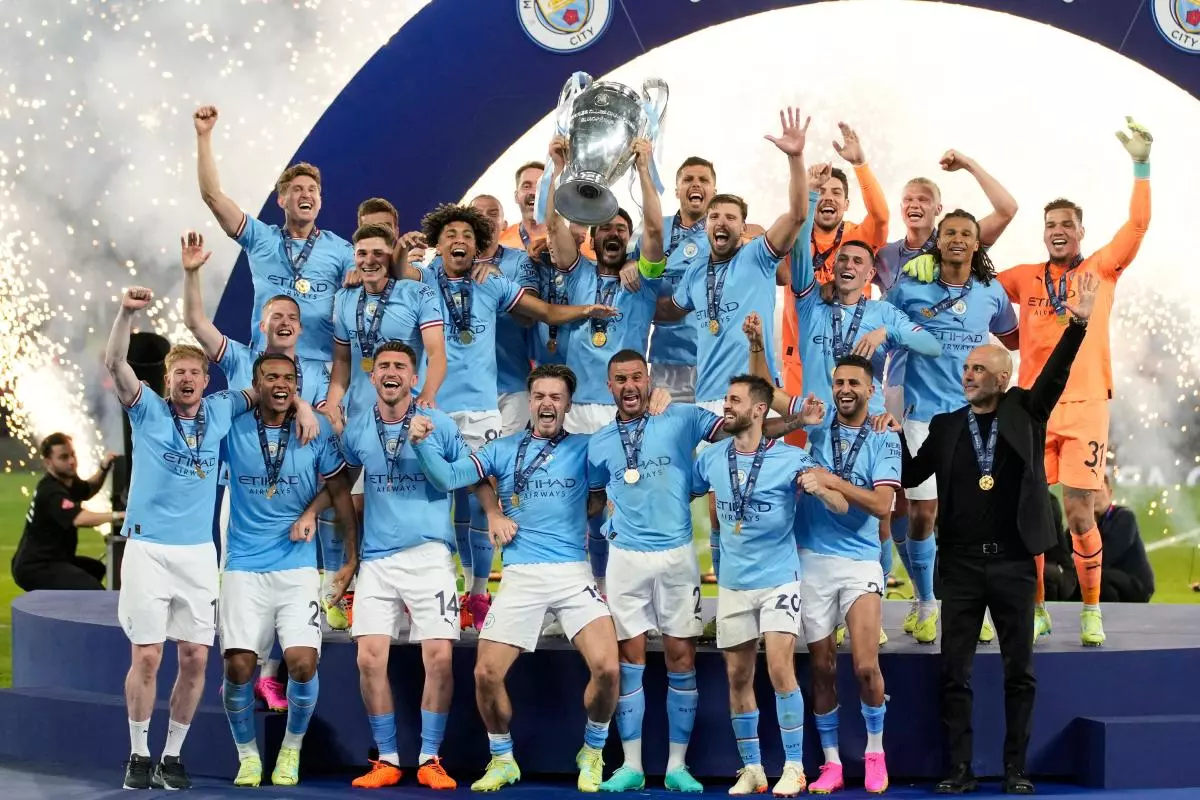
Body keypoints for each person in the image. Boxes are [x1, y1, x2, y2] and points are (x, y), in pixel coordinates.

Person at [104, 287, 317, 790]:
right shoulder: (146, 409)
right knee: (147, 656)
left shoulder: (223, 408)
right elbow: (115, 362)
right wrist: (126, 313)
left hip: (199, 553)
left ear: (206, 380)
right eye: (178, 372)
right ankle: (138, 753)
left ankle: (172, 756)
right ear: (167, 380)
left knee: (196, 657)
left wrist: (305, 406)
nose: (187, 379)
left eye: (195, 373)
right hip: (148, 549)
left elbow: (272, 387)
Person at [898, 271, 1099, 795]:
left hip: (1013, 562)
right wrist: (892, 434)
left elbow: (1054, 375)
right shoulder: (946, 425)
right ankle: (959, 769)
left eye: (979, 369)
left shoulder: (1025, 411)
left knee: (1019, 673)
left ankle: (1016, 769)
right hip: (961, 565)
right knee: (953, 673)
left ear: (1003, 378)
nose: (968, 375)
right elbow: (911, 474)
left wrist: (1077, 326)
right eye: (966, 368)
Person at [585, 350, 821, 793]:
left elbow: (746, 430)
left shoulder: (685, 416)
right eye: (620, 379)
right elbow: (593, 499)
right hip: (625, 560)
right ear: (609, 385)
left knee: (682, 659)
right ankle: (631, 765)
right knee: (629, 661)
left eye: (637, 377)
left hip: (677, 556)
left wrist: (796, 422)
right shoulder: (598, 443)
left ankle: (677, 765)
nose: (630, 386)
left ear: (649, 378)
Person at [410, 364, 619, 793]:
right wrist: (421, 443)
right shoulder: (503, 449)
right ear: (529, 401)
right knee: (486, 673)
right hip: (521, 575)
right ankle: (503, 758)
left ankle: (593, 750)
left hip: (572, 573)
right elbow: (449, 477)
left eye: (556, 397)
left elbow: (609, 483)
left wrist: (590, 510)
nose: (547, 404)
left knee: (607, 669)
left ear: (568, 405)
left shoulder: (585, 447)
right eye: (539, 396)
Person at [411, 202, 617, 625]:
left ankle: (477, 592)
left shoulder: (492, 281)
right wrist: (400, 252)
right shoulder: (422, 278)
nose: (460, 241)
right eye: (451, 235)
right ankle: (432, 593)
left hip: (483, 408)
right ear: (438, 243)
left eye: (468, 236)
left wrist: (585, 310)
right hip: (435, 405)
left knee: (481, 495)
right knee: (433, 500)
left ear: (478, 245)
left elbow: (544, 312)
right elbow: (390, 274)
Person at [991, 117, 1153, 646]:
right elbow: (974, 280)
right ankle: (1037, 606)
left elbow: (1137, 227)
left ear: (1080, 231)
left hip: (1085, 407)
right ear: (1044, 233)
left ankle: (1090, 609)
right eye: (1050, 224)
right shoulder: (1025, 277)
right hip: (1033, 410)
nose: (1057, 230)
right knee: (1029, 510)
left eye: (1066, 223)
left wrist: (1141, 166)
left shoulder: (1101, 270)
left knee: (1081, 512)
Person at [337, 341, 504, 790]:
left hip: (430, 556)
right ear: (373, 376)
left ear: (414, 379)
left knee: (440, 658)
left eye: (400, 366)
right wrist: (350, 556)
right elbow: (341, 486)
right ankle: (388, 758)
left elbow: (472, 474)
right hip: (377, 560)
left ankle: (431, 757)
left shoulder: (441, 424)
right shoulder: (358, 429)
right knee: (368, 658)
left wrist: (493, 513)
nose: (391, 372)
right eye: (383, 366)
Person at [691, 374, 847, 796]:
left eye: (735, 400)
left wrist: (821, 489)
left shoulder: (791, 459)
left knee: (780, 668)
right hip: (733, 585)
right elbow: (682, 493)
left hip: (779, 579)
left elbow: (840, 503)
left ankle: (794, 767)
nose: (727, 406)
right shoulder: (711, 458)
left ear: (759, 410)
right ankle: (753, 768)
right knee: (738, 676)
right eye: (726, 399)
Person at [874, 153, 1018, 601]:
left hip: (975, 417)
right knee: (919, 512)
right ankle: (924, 602)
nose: (957, 239)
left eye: (965, 234)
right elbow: (880, 335)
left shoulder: (991, 291)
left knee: (975, 514)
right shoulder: (907, 284)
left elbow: (1011, 339)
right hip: (919, 411)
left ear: (977, 244)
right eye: (950, 233)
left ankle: (972, 605)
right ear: (940, 240)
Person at [218, 353, 357, 787]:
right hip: (244, 567)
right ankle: (247, 756)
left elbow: (340, 487)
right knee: (238, 668)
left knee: (301, 663)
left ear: (296, 384)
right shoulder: (232, 427)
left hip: (297, 567)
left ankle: (290, 750)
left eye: (288, 379)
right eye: (270, 377)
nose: (280, 384)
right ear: (255, 384)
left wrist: (349, 557)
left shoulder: (314, 431)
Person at [545, 135, 665, 595]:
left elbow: (654, 230)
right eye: (605, 229)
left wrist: (644, 168)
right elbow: (553, 227)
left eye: (621, 229)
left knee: (626, 503)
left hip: (625, 409)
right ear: (593, 238)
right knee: (579, 504)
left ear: (627, 239)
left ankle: (627, 593)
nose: (613, 234)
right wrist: (558, 170)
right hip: (578, 410)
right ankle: (582, 589)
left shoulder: (644, 280)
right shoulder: (577, 272)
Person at [790, 355, 899, 795]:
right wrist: (757, 344)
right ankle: (832, 762)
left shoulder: (884, 437)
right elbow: (769, 396)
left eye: (854, 382)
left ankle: (875, 753)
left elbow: (881, 505)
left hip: (859, 562)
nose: (845, 389)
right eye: (839, 382)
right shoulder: (816, 425)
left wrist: (830, 481)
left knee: (866, 665)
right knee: (821, 668)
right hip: (811, 561)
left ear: (872, 390)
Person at [194, 105, 355, 362]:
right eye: (297, 189)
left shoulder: (342, 249)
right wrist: (204, 136)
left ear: (320, 202)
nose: (306, 194)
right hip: (267, 367)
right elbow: (213, 196)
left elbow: (371, 282)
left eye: (312, 190)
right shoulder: (261, 238)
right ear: (282, 200)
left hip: (318, 369)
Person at [779, 122, 889, 424]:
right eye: (822, 191)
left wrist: (860, 165)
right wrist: (807, 189)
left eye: (836, 192)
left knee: (856, 439)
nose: (828, 197)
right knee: (799, 439)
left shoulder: (859, 237)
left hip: (853, 360)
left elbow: (881, 216)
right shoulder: (794, 234)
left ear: (846, 203)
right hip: (800, 360)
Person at [324, 223, 446, 427]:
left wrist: (428, 394)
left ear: (390, 257)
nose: (369, 260)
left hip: (409, 415)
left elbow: (437, 353)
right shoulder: (343, 298)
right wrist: (331, 405)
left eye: (378, 253)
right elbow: (342, 362)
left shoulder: (419, 294)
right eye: (362, 253)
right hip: (359, 417)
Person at [646, 156, 717, 404]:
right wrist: (629, 265)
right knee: (666, 426)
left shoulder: (724, 233)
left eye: (703, 180)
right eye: (688, 179)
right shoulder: (655, 228)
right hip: (666, 357)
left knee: (714, 429)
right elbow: (635, 273)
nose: (696, 184)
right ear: (677, 190)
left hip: (713, 356)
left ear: (714, 191)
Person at [11, 434, 121, 591]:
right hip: (37, 566)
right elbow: (79, 519)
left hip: (55, 559)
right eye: (64, 457)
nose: (72, 461)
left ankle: (65, 605)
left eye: (72, 455)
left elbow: (88, 489)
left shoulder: (68, 482)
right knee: (93, 590)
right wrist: (119, 516)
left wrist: (103, 468)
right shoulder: (51, 491)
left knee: (96, 569)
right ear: (48, 462)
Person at [1094, 472, 1154, 602]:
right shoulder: (1083, 522)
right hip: (1110, 578)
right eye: (1089, 492)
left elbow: (1107, 556)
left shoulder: (1124, 517)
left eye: (1098, 490)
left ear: (1110, 493)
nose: (1094, 496)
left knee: (1095, 576)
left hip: (1136, 583)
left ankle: (1110, 614)